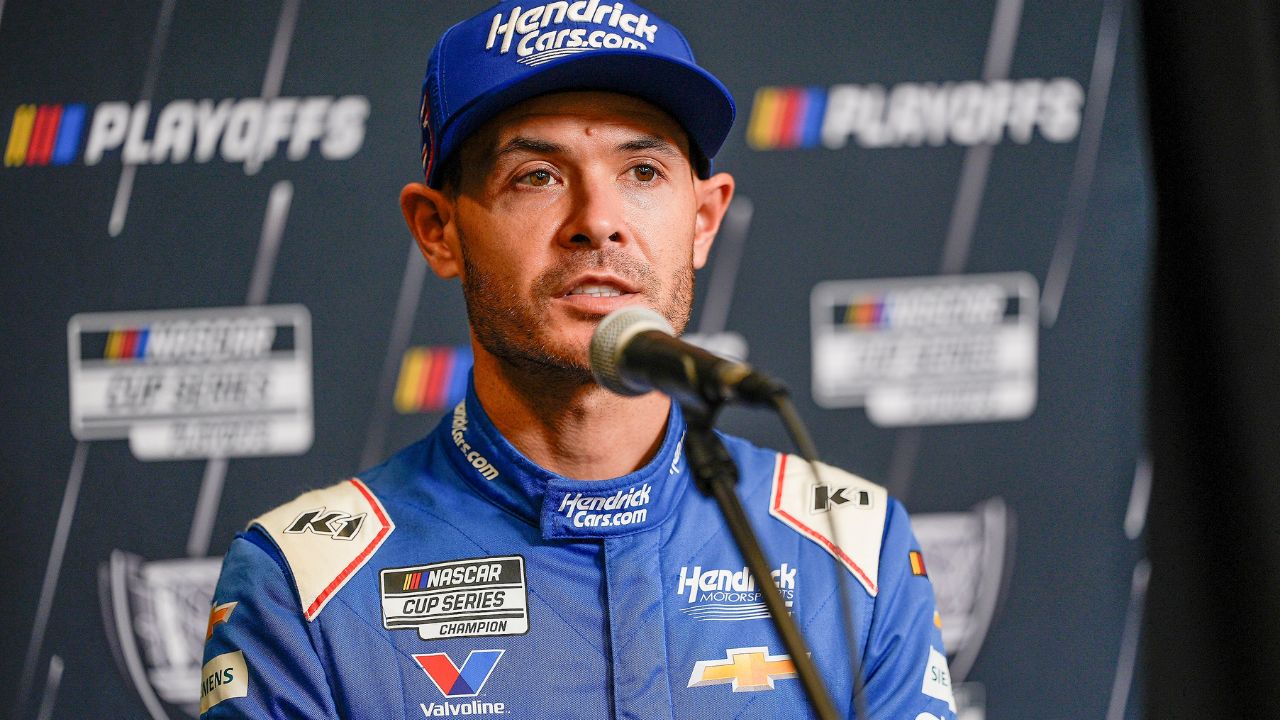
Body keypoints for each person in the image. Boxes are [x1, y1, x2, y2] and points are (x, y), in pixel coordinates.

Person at [199, 2, 956, 718]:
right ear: (438, 230)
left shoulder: (856, 548)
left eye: (643, 172)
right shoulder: (302, 581)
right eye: (538, 175)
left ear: (703, 218)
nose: (598, 222)